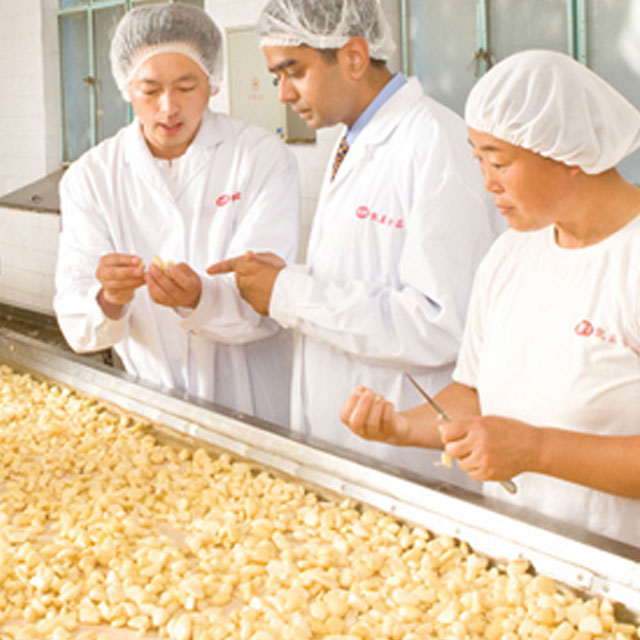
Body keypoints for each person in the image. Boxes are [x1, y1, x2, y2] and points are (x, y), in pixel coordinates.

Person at [340, 49, 640, 546]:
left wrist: (539, 449)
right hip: (522, 564)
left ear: (567, 155)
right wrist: (401, 427)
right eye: (477, 159)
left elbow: (528, 442)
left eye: (499, 161)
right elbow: (474, 394)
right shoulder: (511, 254)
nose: (487, 183)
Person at [207, 0, 498, 481]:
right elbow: (365, 277)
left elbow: (442, 324)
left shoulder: (434, 144)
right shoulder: (354, 140)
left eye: (293, 72)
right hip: (348, 438)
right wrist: (284, 281)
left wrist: (288, 295)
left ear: (354, 57)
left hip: (405, 453)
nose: (282, 93)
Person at [54, 4, 299, 426]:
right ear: (126, 87)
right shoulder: (90, 178)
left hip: (255, 397)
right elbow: (79, 326)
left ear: (213, 83)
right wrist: (110, 298)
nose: (168, 108)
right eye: (150, 90)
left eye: (186, 87)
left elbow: (272, 302)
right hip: (152, 398)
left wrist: (199, 298)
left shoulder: (260, 158)